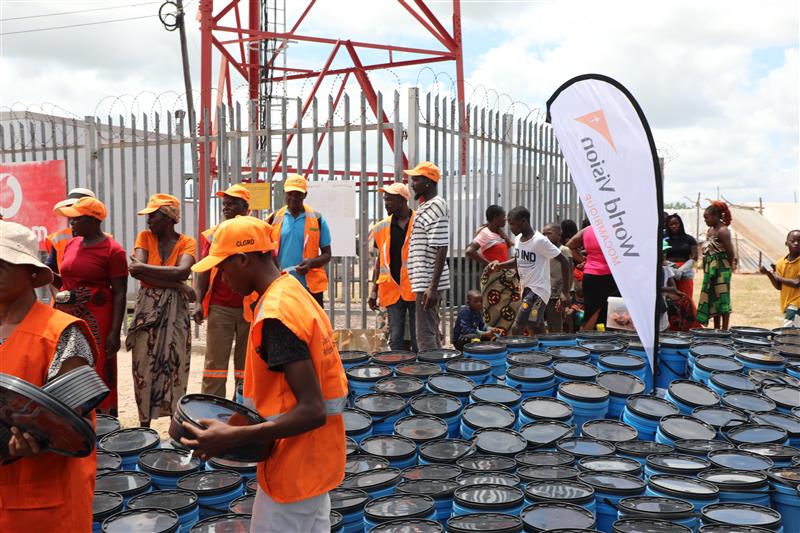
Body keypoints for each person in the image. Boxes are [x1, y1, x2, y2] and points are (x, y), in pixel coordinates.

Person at [181, 216, 347, 532]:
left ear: (243, 260)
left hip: (294, 469)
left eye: (222, 267)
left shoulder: (275, 316)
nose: (220, 278)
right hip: (317, 461)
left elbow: (312, 410)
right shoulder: (292, 292)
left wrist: (235, 436)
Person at [0, 221, 98, 531]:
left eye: (5, 263)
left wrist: (31, 436)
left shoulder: (61, 333)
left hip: (44, 504)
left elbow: (68, 420)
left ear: (31, 273)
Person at [125, 193, 196, 427]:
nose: (149, 221)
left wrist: (145, 268)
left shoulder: (187, 242)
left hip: (176, 310)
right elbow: (140, 275)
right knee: (143, 363)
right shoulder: (144, 237)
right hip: (149, 306)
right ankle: (144, 425)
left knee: (176, 363)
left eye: (153, 216)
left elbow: (182, 271)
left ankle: (177, 424)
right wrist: (178, 286)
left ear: (168, 218)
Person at [53, 197, 128, 415]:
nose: (71, 224)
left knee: (98, 364)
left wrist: (114, 332)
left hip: (98, 318)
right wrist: (47, 276)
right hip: (68, 316)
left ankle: (103, 418)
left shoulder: (113, 250)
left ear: (94, 220)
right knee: (68, 362)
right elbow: (67, 282)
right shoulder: (71, 244)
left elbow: (120, 292)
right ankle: (72, 415)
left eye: (76, 219)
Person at [194, 184, 252, 398]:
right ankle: (212, 406)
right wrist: (198, 301)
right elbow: (204, 270)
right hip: (220, 307)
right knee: (214, 365)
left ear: (245, 207)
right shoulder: (214, 235)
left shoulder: (256, 232)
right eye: (225, 204)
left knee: (246, 366)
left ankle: (243, 407)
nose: (226, 208)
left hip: (249, 307)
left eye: (232, 204)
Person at [488, 207, 570, 336]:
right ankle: (546, 351)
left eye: (513, 224)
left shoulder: (539, 241)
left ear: (523, 222)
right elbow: (518, 261)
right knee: (535, 326)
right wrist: (500, 266)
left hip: (538, 291)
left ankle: (513, 353)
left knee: (517, 327)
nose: (510, 228)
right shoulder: (518, 239)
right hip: (526, 289)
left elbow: (564, 261)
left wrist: (565, 292)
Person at [267, 174, 332, 308]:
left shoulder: (318, 219)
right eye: (290, 193)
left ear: (305, 195)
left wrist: (311, 263)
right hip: (280, 285)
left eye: (298, 194)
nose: (293, 198)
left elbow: (327, 254)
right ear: (284, 193)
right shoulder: (273, 219)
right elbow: (265, 251)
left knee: (310, 327)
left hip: (309, 288)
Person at [368, 182, 417, 352]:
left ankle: (420, 372)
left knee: (419, 338)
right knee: (395, 337)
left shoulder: (419, 223)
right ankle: (396, 372)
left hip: (415, 288)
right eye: (385, 199)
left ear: (402, 201)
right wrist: (373, 290)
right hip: (392, 289)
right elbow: (380, 260)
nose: (386, 203)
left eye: (389, 200)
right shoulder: (381, 227)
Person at [406, 161, 450, 351]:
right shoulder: (427, 206)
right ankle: (438, 370)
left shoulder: (436, 206)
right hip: (424, 282)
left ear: (428, 182)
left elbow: (441, 247)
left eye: (416, 179)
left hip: (427, 283)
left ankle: (430, 373)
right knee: (430, 330)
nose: (412, 183)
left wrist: (431, 287)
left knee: (424, 335)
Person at [465, 205, 520, 335]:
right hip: (494, 279)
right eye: (503, 216)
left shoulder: (498, 233)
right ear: (495, 218)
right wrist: (489, 264)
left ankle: (507, 339)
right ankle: (495, 340)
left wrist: (502, 234)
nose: (505, 219)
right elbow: (469, 251)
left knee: (513, 306)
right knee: (495, 310)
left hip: (506, 277)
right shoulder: (485, 233)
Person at [566, 223, 619, 330]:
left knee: (592, 312)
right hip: (613, 276)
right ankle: (605, 340)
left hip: (591, 275)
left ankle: (585, 340)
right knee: (611, 312)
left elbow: (569, 246)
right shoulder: (618, 229)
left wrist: (583, 260)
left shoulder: (588, 229)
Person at [697, 201, 736, 329]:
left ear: (715, 216)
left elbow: (730, 253)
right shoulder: (710, 230)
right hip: (710, 268)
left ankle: (724, 330)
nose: (705, 220)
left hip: (721, 269)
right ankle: (716, 328)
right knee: (713, 297)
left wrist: (728, 269)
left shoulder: (723, 231)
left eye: (706, 218)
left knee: (722, 298)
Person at [44, 187, 97, 272]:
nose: (72, 217)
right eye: (69, 211)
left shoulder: (107, 242)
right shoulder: (58, 238)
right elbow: (51, 271)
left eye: (76, 211)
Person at [761, 230, 800, 326]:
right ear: (786, 243)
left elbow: (797, 283)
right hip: (787, 304)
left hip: (796, 305)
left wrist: (776, 276)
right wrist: (769, 274)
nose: (796, 243)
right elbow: (779, 286)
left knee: (789, 335)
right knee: (794, 335)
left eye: (799, 241)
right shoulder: (780, 263)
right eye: (793, 240)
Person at [542, 223, 573, 333]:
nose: (545, 237)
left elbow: (570, 273)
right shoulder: (544, 250)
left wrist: (565, 292)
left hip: (557, 294)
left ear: (559, 235)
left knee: (556, 325)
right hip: (546, 292)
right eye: (543, 234)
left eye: (549, 234)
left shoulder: (564, 250)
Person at [664, 213, 699, 300]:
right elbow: (661, 255)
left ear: (681, 224)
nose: (674, 226)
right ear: (668, 226)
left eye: (676, 223)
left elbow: (694, 257)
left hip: (685, 272)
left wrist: (681, 270)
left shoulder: (689, 239)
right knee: (671, 299)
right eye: (671, 224)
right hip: (669, 272)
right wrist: (671, 268)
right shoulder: (663, 238)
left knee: (686, 298)